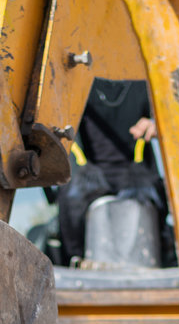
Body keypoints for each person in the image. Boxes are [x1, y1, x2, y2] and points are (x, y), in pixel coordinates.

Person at [56, 78, 168, 264]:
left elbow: (168, 112)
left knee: (160, 195)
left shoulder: (142, 80)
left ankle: (163, 256)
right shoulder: (76, 82)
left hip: (135, 168)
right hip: (90, 168)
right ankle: (75, 261)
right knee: (70, 198)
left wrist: (155, 124)